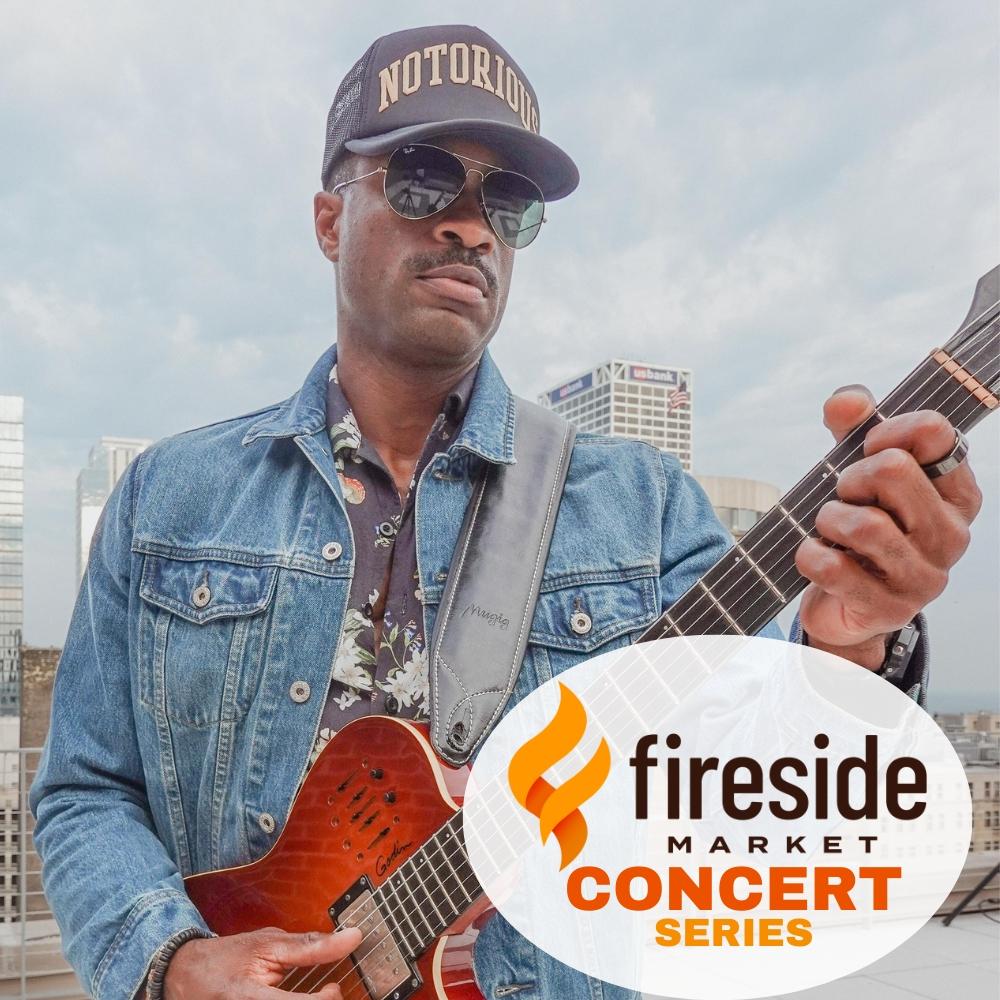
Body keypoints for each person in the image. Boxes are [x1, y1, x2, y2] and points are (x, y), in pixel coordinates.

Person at [29, 24, 982, 1000]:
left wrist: (850, 645)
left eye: (507, 202)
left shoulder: (641, 504)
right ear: (327, 220)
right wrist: (173, 961)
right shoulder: (168, 498)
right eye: (422, 177)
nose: (470, 224)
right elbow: (85, 788)